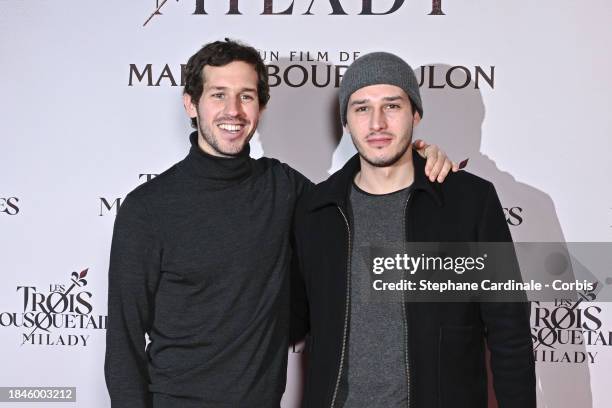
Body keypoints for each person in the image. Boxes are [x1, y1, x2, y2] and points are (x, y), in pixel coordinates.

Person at [104, 40, 456, 408]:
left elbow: (365, 188)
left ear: (262, 107)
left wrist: (416, 157)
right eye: (218, 95)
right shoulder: (147, 209)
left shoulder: (285, 188)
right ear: (191, 103)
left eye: (246, 97)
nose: (233, 111)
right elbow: (124, 342)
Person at [291, 52, 536, 408]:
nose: (377, 123)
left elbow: (509, 330)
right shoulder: (316, 210)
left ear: (415, 114)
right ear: (346, 121)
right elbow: (290, 321)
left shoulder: (469, 200)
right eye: (361, 108)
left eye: (391, 106)